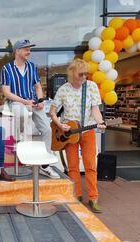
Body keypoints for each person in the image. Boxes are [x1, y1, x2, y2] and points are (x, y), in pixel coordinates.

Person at [49, 59, 106, 213]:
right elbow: (52, 112)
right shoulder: (63, 89)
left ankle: (93, 199)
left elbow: (95, 108)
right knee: (73, 166)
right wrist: (60, 125)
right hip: (70, 133)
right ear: (73, 73)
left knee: (90, 166)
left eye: (86, 74)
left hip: (87, 131)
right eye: (81, 74)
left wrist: (100, 121)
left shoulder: (92, 87)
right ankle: (77, 196)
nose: (84, 77)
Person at [1, 39, 59, 179]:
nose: (29, 51)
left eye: (29, 49)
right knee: (22, 113)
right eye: (26, 49)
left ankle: (44, 166)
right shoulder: (6, 68)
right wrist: (24, 101)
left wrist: (40, 101)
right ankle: (21, 137)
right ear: (17, 51)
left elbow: (38, 86)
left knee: (47, 129)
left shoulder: (32, 67)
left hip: (33, 103)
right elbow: (7, 93)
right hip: (16, 102)